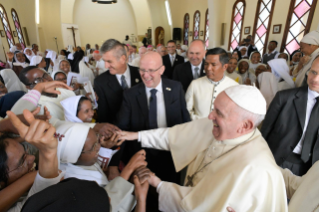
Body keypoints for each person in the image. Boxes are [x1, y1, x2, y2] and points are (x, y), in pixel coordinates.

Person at [119, 85, 287, 212]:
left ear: (245, 125)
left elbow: (203, 206)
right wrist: (134, 135)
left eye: (219, 113)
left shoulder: (258, 170)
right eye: (213, 108)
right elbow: (172, 136)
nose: (210, 116)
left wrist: (159, 184)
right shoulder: (215, 126)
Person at [116, 51, 190, 211]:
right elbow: (122, 129)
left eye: (151, 70)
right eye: (142, 70)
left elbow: (185, 121)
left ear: (162, 70)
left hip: (171, 155)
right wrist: (115, 164)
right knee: (146, 198)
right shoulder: (130, 94)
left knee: (171, 196)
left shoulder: (176, 88)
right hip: (142, 157)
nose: (145, 75)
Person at [261, 56, 319, 176]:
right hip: (277, 161)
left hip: (310, 170)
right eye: (313, 72)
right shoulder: (284, 98)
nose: (315, 79)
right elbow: (265, 133)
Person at [94, 39, 141, 124]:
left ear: (123, 59)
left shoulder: (141, 74)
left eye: (109, 61)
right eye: (104, 61)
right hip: (117, 132)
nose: (106, 66)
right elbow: (103, 116)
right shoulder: (100, 82)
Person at [186, 48, 238, 120]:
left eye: (213, 64)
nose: (208, 68)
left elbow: (236, 113)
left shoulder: (234, 87)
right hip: (198, 127)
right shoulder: (195, 84)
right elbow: (187, 110)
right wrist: (198, 121)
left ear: (225, 66)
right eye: (206, 64)